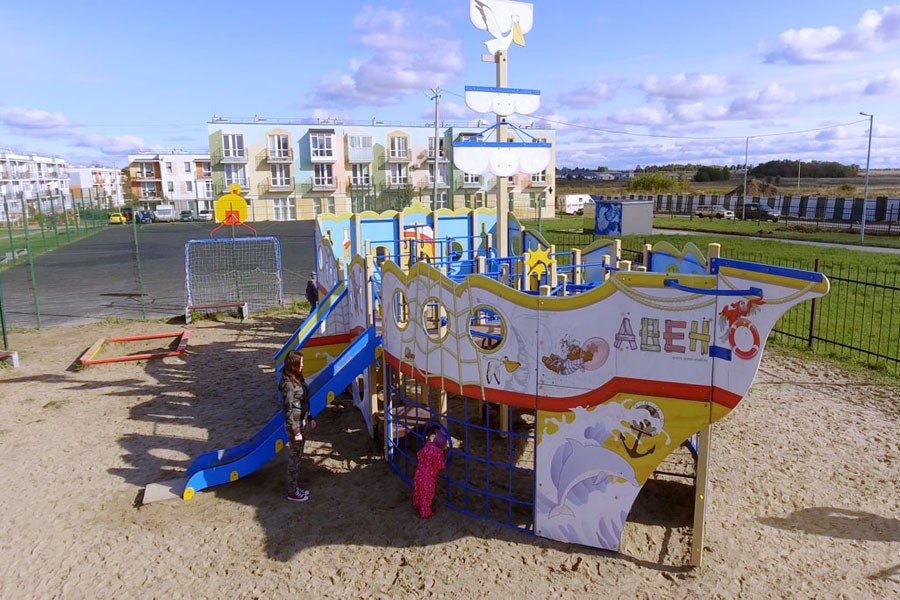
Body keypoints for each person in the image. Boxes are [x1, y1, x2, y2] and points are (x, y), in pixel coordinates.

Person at [280, 351, 315, 502]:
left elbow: (304, 401)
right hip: (295, 425)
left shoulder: (297, 378)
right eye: (300, 363)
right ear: (293, 365)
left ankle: (295, 487)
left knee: (299, 455)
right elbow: (288, 409)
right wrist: (295, 431)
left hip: (302, 421)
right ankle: (292, 491)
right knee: (294, 457)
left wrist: (310, 417)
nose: (302, 365)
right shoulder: (288, 385)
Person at [412, 428, 448, 519]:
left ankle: (416, 504)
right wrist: (445, 462)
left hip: (419, 473)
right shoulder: (438, 453)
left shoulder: (427, 447)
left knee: (418, 490)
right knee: (427, 495)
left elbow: (419, 455)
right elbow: (439, 465)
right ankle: (425, 513)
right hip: (428, 479)